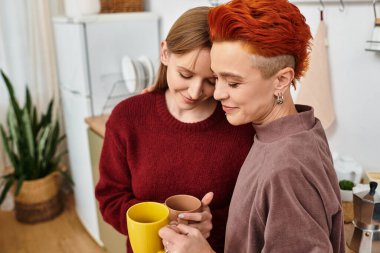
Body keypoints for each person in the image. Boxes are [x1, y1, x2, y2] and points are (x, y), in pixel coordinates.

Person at [158, 0, 345, 252]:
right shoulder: (298, 128)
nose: (218, 93)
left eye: (233, 83)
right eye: (217, 78)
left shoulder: (286, 169)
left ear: (281, 79)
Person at [94, 6, 255, 253]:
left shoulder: (239, 128)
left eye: (211, 81)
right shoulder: (127, 118)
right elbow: (109, 199)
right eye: (185, 74)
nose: (194, 92)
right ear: (165, 53)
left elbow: (251, 212)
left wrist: (214, 224)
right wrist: (159, 221)